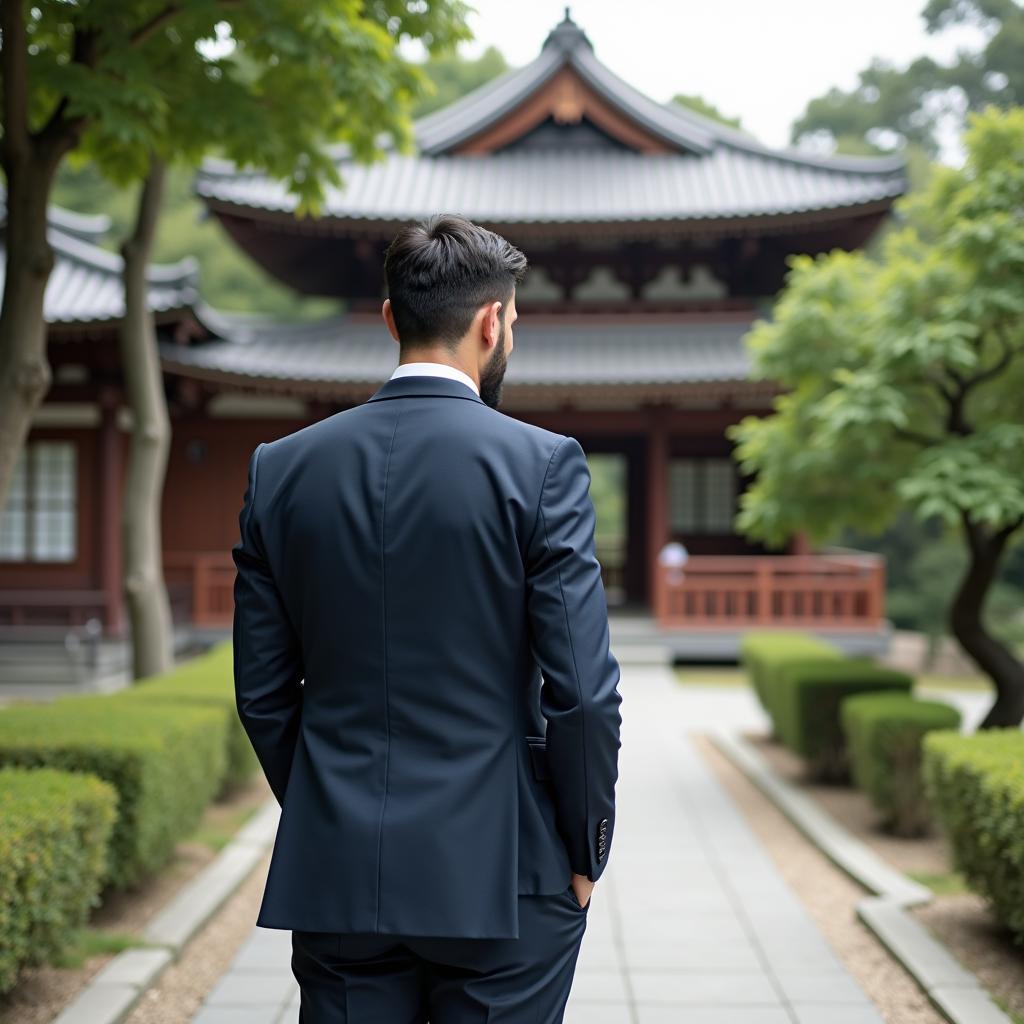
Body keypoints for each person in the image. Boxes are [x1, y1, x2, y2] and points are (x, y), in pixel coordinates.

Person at [231, 213, 623, 1022]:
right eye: (512, 319)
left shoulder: (282, 470)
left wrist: (330, 808)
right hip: (505, 868)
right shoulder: (542, 465)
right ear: (493, 322)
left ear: (388, 320)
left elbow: (265, 694)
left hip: (340, 872)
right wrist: (583, 850)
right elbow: (582, 693)